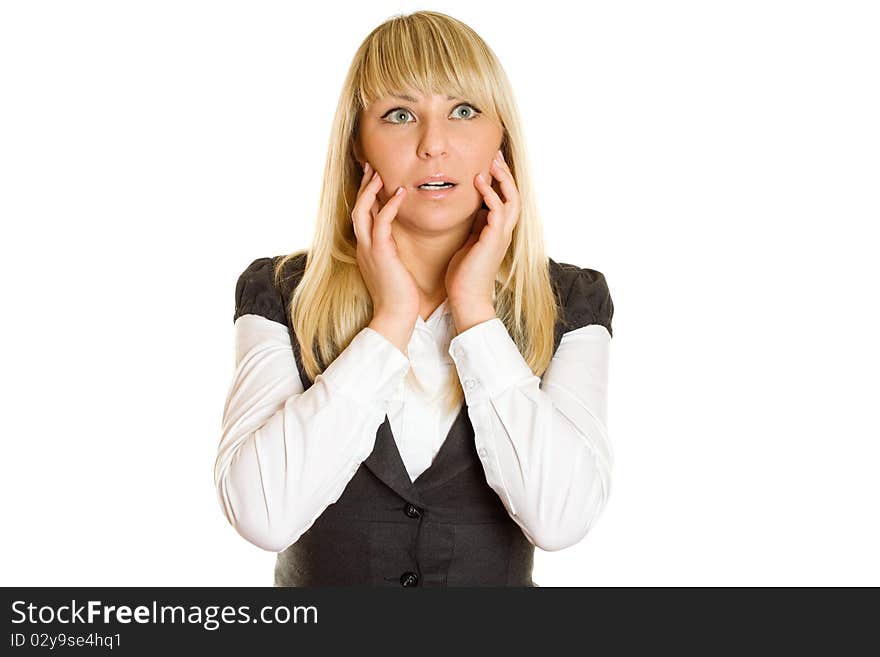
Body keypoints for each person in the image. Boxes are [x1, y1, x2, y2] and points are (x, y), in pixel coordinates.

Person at [214, 10, 615, 587]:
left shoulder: (572, 300)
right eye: (400, 115)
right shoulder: (279, 292)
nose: (434, 145)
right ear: (358, 144)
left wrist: (475, 312)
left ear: (502, 136)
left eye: (463, 111)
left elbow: (560, 519)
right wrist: (391, 320)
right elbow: (263, 516)